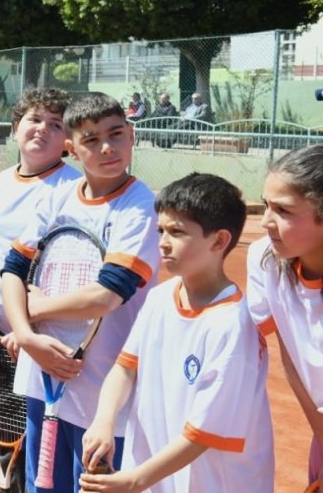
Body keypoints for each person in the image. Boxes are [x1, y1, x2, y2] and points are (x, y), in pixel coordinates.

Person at [0, 92, 161, 493]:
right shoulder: (54, 196)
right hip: (44, 375)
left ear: (132, 135)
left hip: (105, 394)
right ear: (71, 148)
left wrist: (34, 310)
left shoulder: (142, 207)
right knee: (44, 486)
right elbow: (13, 268)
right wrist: (25, 335)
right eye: (90, 140)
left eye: (116, 134)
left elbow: (108, 295)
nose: (107, 147)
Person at [80, 173, 272, 493]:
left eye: (177, 232)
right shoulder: (159, 297)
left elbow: (203, 433)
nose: (163, 242)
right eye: (161, 230)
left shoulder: (233, 325)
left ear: (219, 241)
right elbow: (126, 368)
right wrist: (104, 420)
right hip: (155, 479)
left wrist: (135, 480)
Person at [0, 88, 80, 481]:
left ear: (68, 141)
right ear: (15, 129)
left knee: (46, 451)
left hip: (48, 343)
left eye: (55, 124)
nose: (42, 130)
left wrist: (28, 330)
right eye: (34, 119)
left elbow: (74, 267)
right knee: (3, 436)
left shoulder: (74, 190)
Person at [246, 145, 323, 488]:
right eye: (266, 205)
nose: (265, 221)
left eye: (283, 210)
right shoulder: (265, 257)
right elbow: (290, 354)